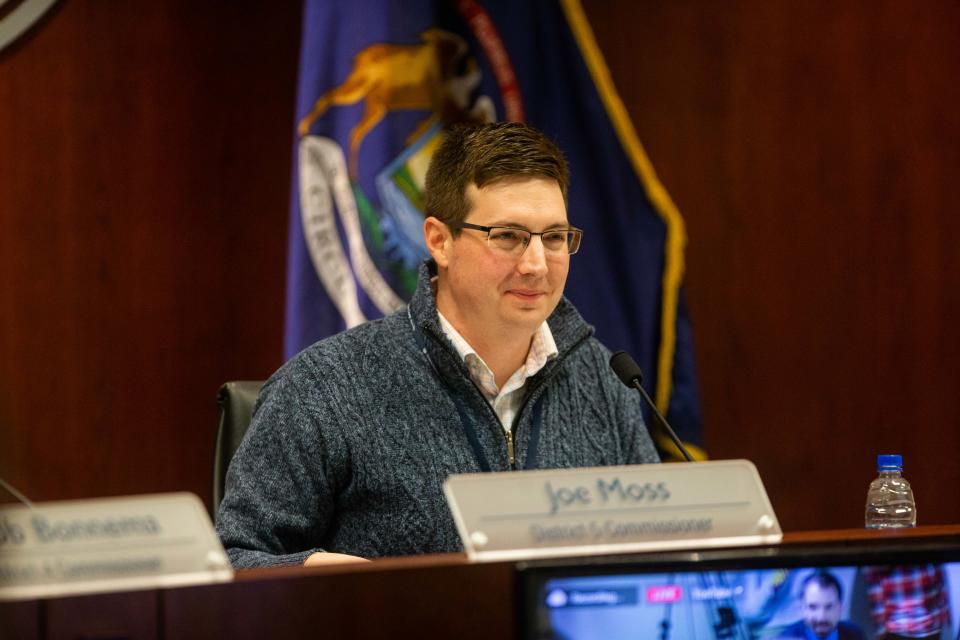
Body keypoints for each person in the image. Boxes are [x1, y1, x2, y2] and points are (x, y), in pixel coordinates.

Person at [215, 122, 659, 568]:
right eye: (508, 236)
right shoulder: (322, 387)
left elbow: (658, 551)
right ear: (439, 241)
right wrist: (324, 578)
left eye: (555, 238)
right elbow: (233, 561)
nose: (536, 264)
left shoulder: (607, 381)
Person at [863, 565, 950, 640]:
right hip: (930, 628)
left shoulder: (878, 558)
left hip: (897, 630)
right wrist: (944, 622)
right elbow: (941, 587)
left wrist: (880, 634)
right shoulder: (929, 548)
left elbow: (877, 602)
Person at [778, 571, 866, 640]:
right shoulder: (786, 637)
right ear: (801, 608)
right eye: (813, 607)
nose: (821, 617)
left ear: (841, 608)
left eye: (829, 607)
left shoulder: (854, 634)